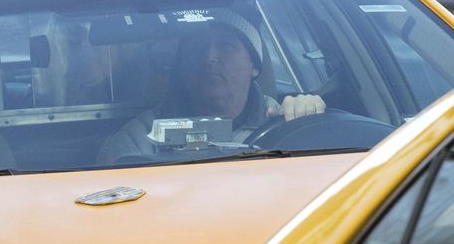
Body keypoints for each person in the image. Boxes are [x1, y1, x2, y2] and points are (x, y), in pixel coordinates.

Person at [99, 9, 324, 164]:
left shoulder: (289, 123)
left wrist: (313, 117)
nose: (209, 58)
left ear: (254, 66)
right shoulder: (141, 138)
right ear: (183, 66)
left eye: (226, 46)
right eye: (198, 47)